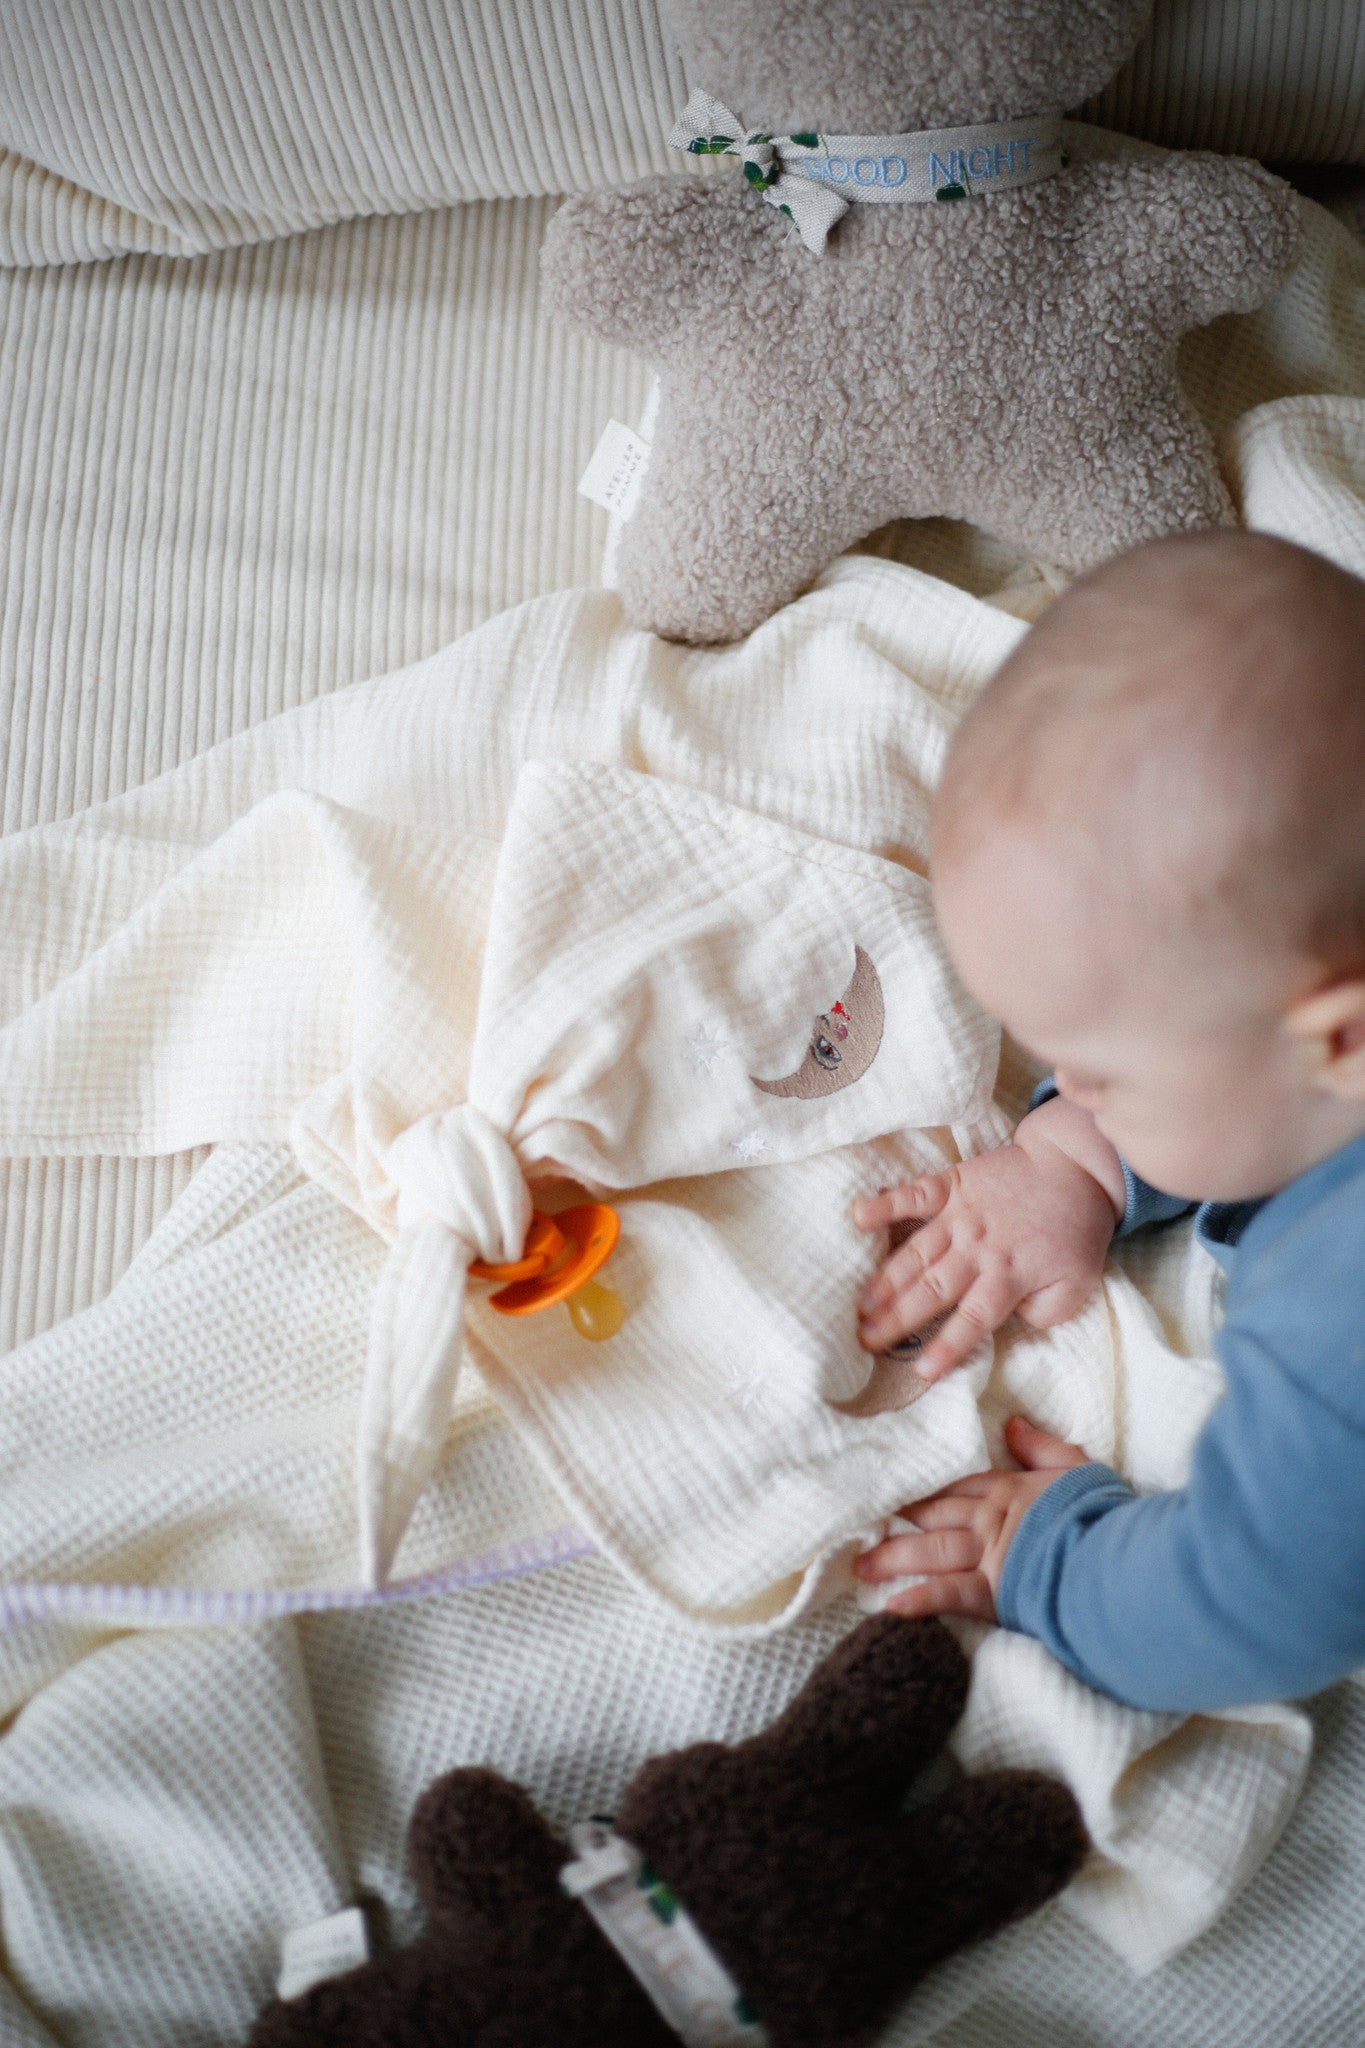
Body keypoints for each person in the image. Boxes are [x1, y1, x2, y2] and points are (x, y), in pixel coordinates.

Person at [853, 530, 1365, 1713]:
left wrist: (1048, 1555)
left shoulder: (1339, 1325)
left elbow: (1241, 1603)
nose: (1067, 1089)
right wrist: (1081, 1159)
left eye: (1099, 1076)